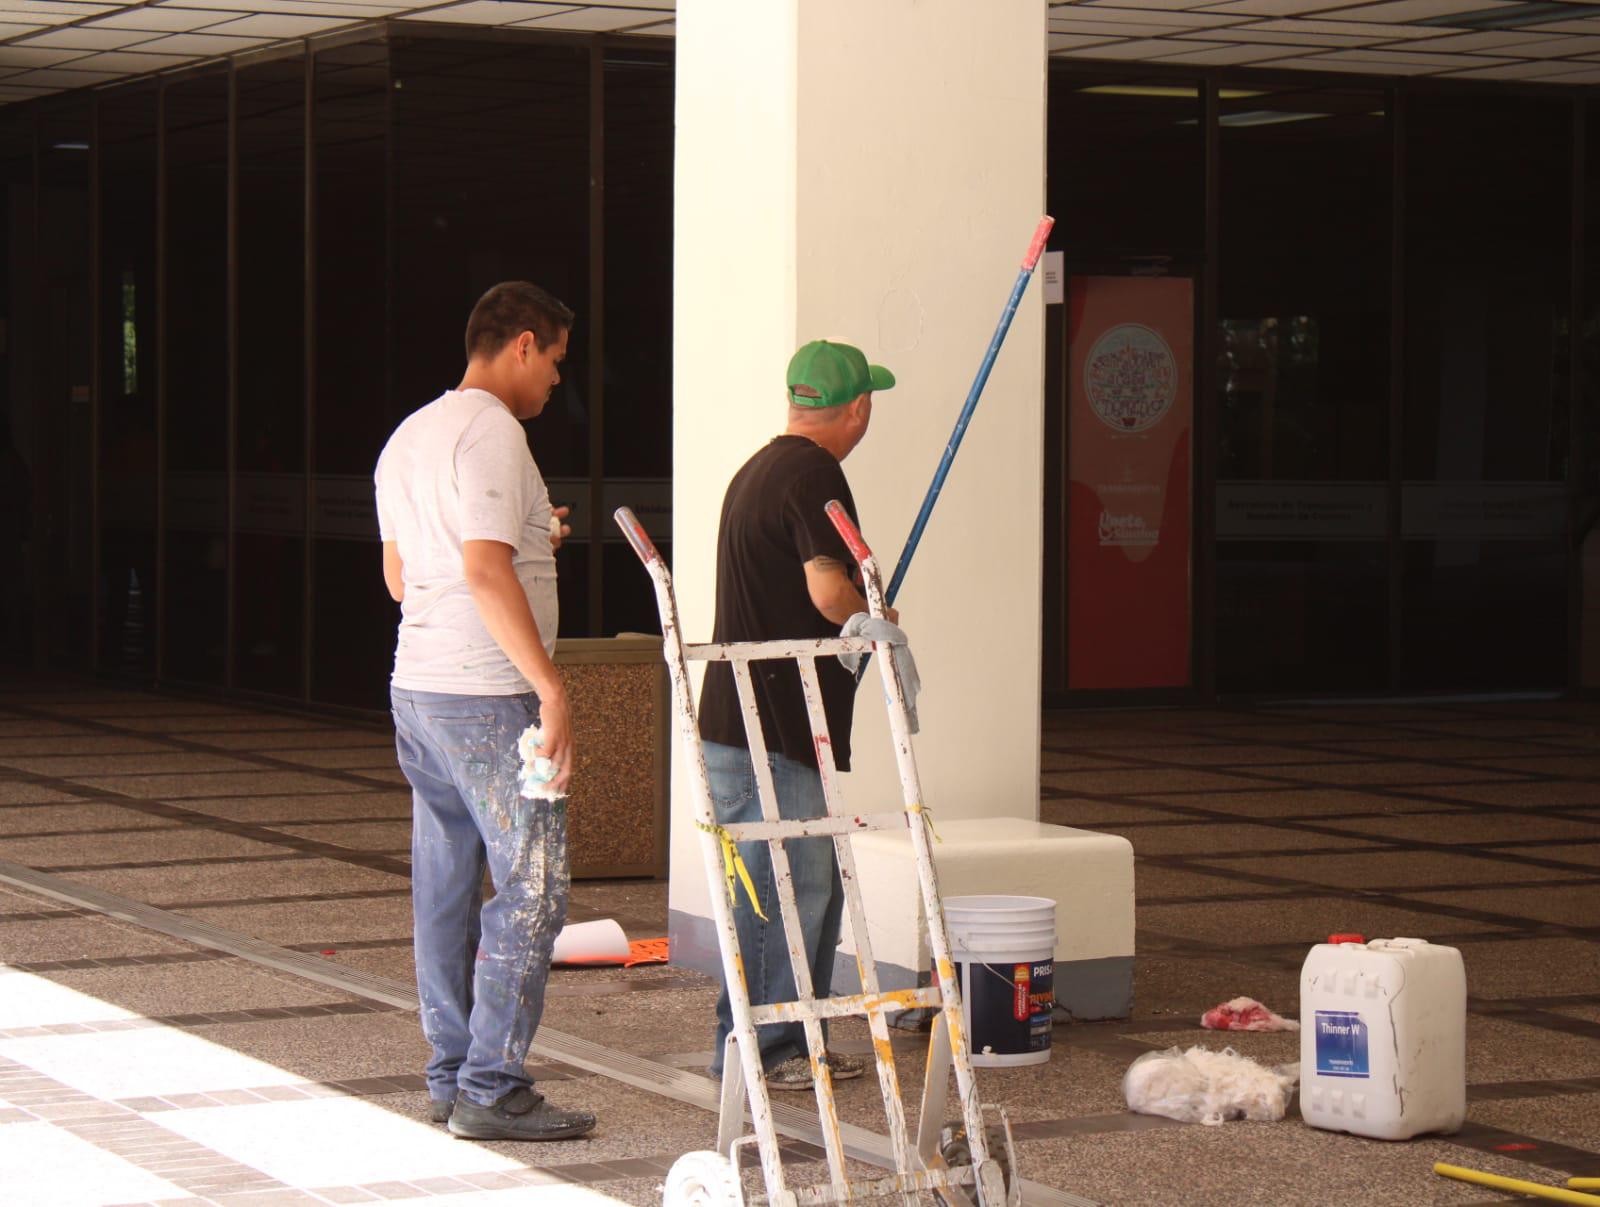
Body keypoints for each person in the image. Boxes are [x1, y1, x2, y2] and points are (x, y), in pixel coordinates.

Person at [375, 281, 594, 1142]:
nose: (554, 387)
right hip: (487, 696)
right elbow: (482, 567)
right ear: (524, 344)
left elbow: (403, 577)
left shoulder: (409, 436)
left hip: (418, 690)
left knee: (445, 881)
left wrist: (533, 541)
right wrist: (550, 686)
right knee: (535, 884)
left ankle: (449, 1073)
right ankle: (492, 1083)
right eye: (556, 366)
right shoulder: (495, 432)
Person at [698, 338, 898, 1091]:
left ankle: (781, 1038)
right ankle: (772, 1046)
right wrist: (874, 615)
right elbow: (826, 588)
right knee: (796, 883)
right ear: (857, 409)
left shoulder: (758, 468)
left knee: (789, 881)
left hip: (742, 717)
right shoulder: (816, 472)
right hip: (773, 722)